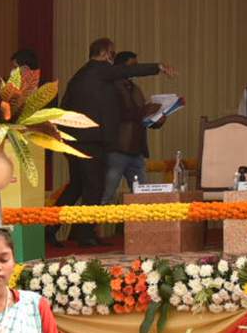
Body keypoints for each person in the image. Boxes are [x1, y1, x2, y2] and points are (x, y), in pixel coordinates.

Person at [59, 38, 175, 243]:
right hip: (92, 140)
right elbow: (127, 71)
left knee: (76, 186)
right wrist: (158, 67)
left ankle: (49, 230)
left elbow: (64, 106)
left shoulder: (78, 76)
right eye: (112, 53)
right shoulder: (101, 70)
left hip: (73, 139)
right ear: (105, 53)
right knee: (94, 187)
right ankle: (85, 235)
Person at [103, 51, 165, 201]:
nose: (136, 69)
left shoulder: (135, 88)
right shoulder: (110, 88)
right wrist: (147, 110)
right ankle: (91, 225)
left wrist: (157, 118)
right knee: (105, 196)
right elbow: (117, 115)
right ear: (120, 67)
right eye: (133, 66)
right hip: (117, 150)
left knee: (142, 199)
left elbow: (141, 117)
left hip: (137, 151)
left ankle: (139, 226)